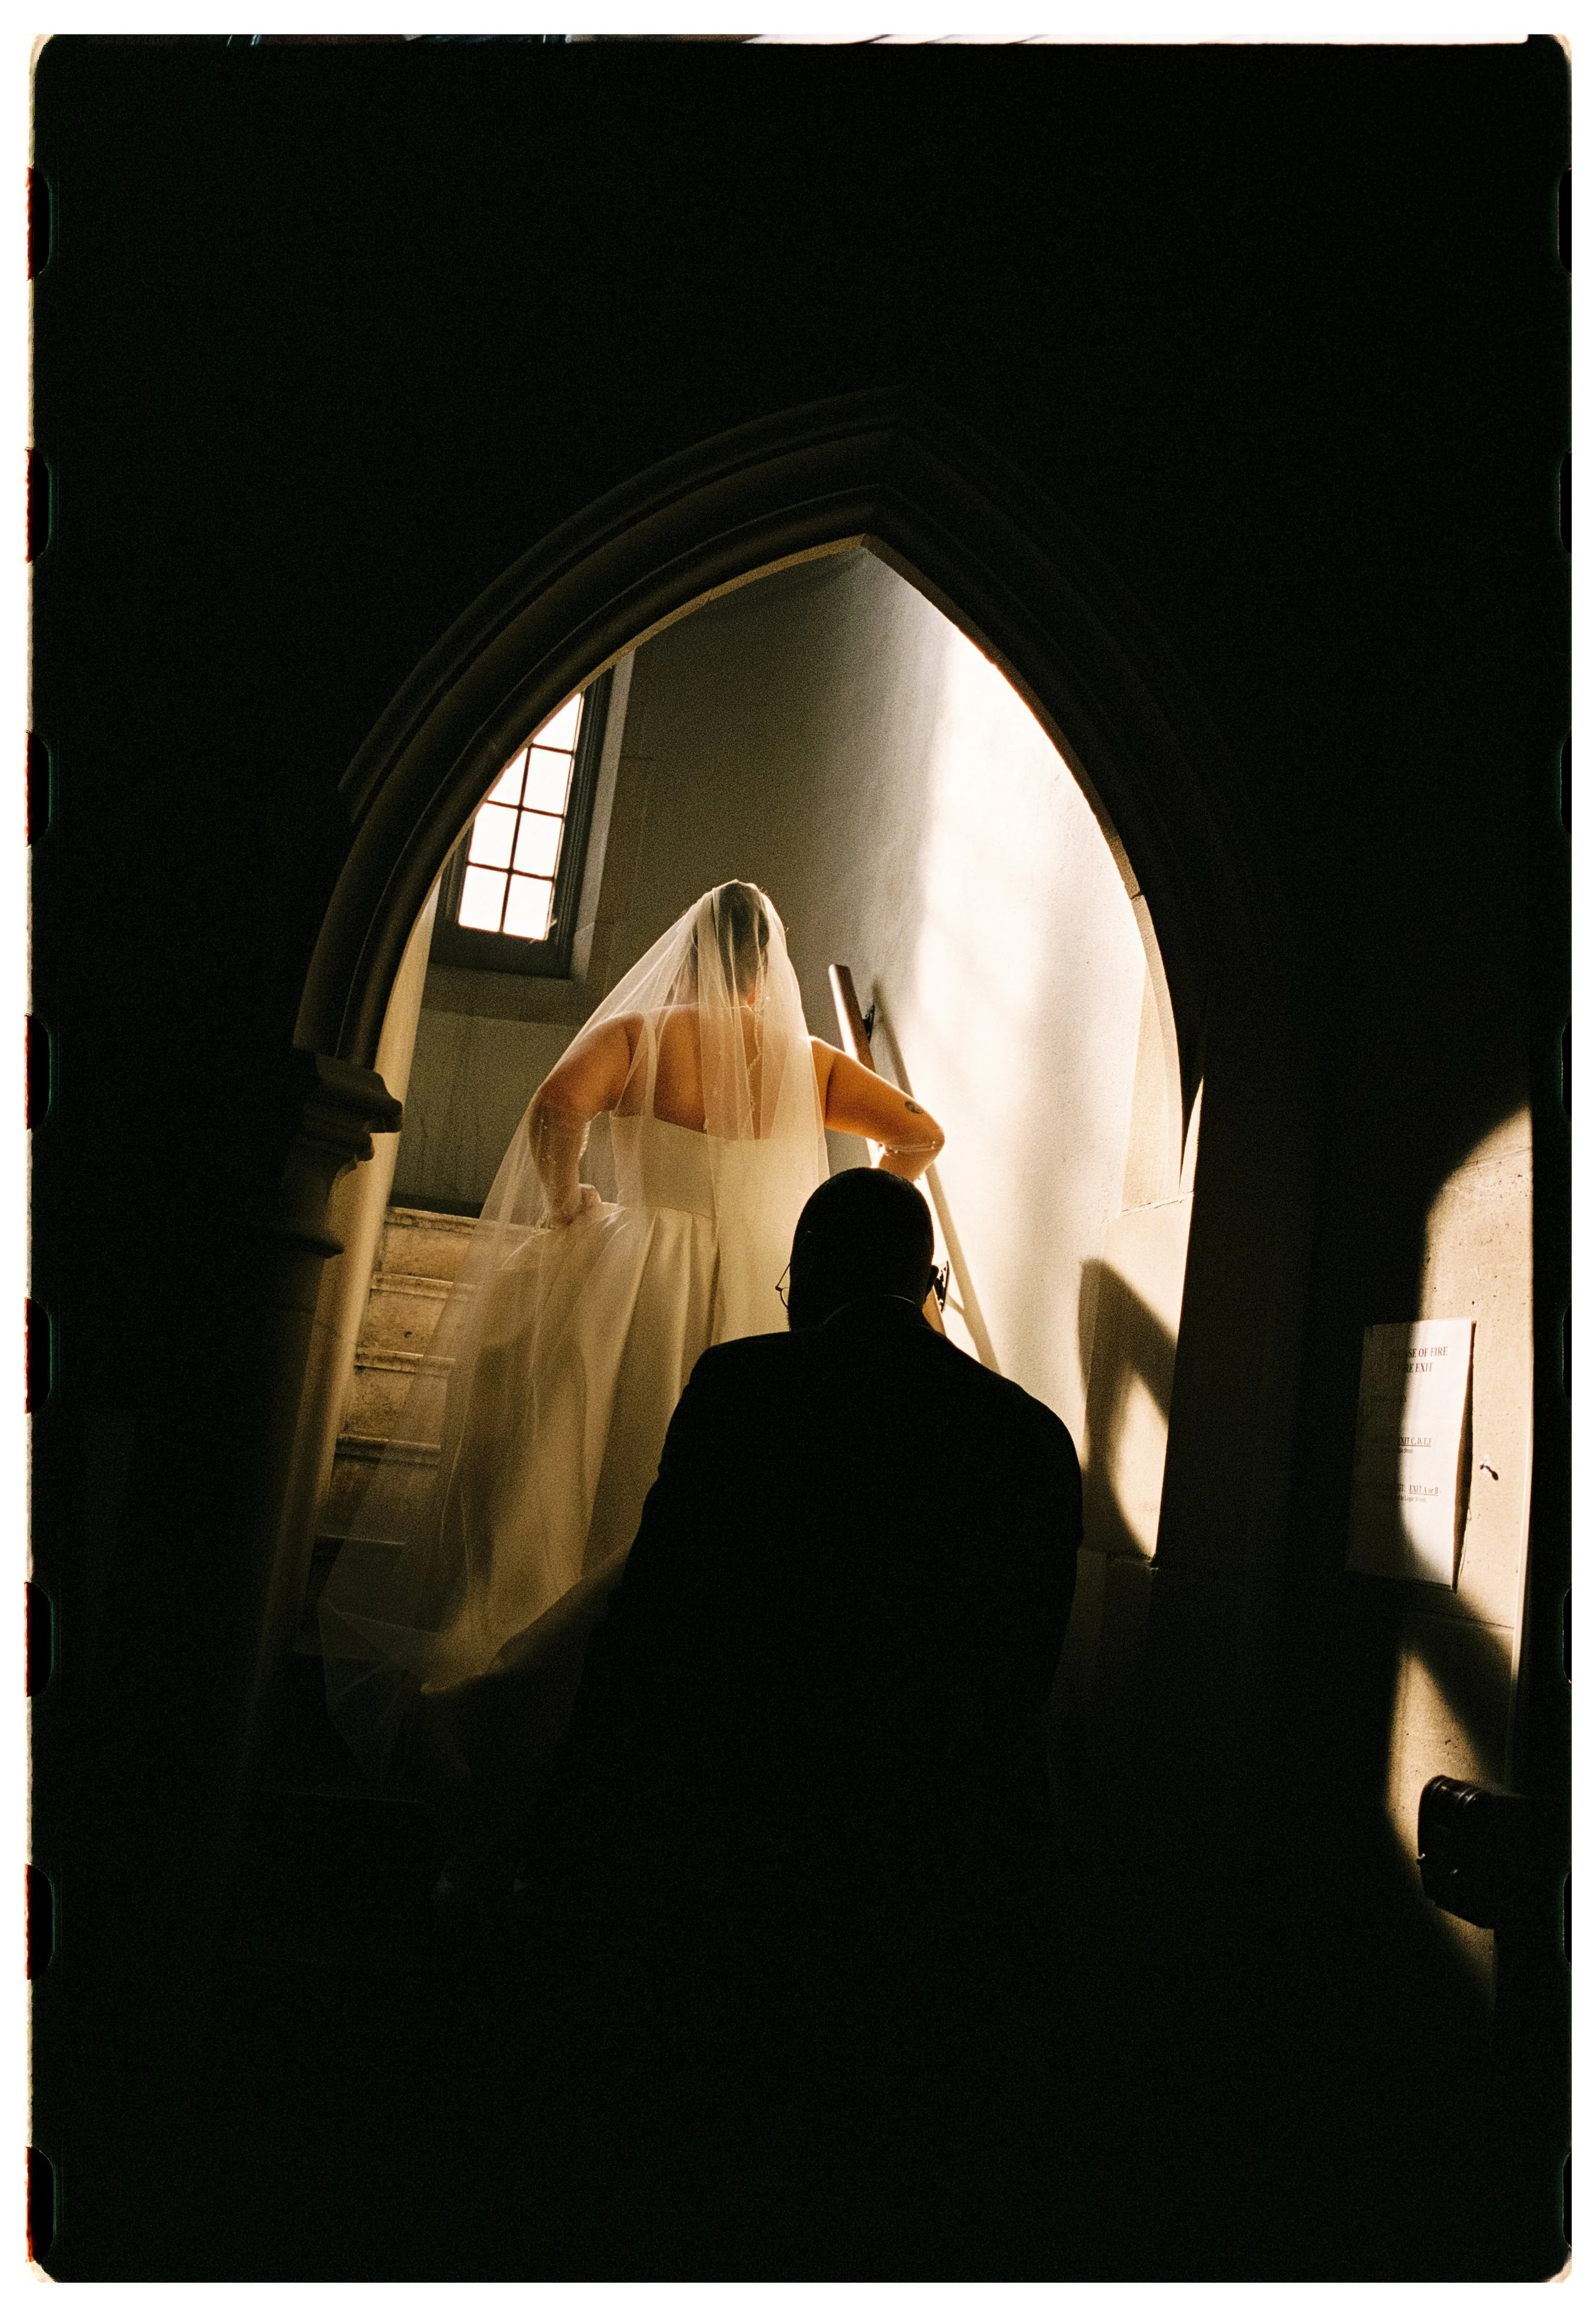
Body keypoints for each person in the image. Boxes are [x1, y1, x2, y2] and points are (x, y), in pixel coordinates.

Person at [319, 880, 944, 1792]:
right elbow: (921, 1137)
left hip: (642, 1264)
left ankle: (531, 1671)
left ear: (688, 953)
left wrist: (571, 1199)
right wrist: (846, 1214)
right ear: (766, 964)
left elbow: (555, 1106)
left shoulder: (639, 1037)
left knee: (595, 1449)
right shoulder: (808, 1060)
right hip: (760, 1277)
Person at [520, 1168, 1083, 2065]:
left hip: (750, 1815)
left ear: (812, 1266)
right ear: (927, 1283)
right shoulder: (1032, 1433)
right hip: (938, 1844)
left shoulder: (744, 1385)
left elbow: (660, 1608)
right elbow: (1025, 1663)